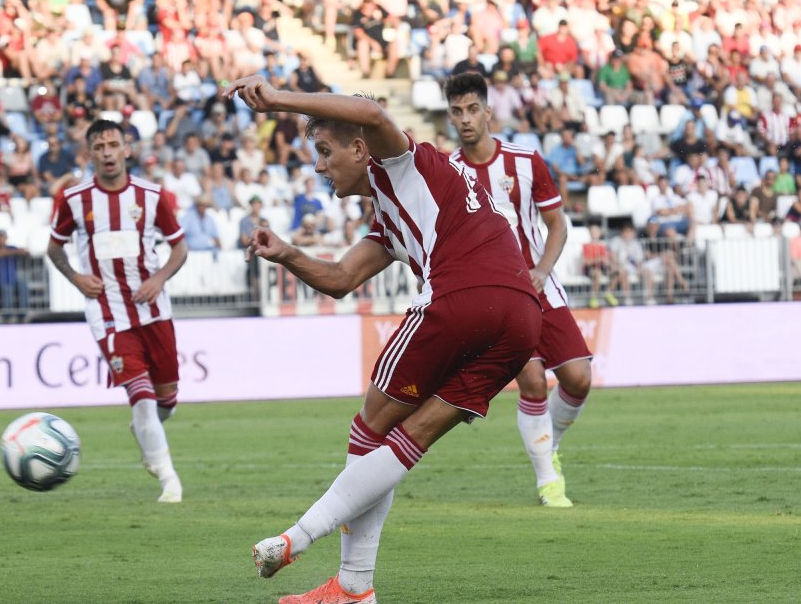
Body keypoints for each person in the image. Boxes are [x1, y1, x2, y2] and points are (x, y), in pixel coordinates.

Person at [223, 75, 540, 604]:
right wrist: (287, 253)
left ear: (359, 149)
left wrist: (277, 100)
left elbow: (370, 112)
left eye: (325, 151)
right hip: (520, 316)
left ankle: (326, 565)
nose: (320, 165)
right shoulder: (394, 209)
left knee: (369, 425)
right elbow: (342, 278)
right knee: (408, 435)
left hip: (463, 294)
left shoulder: (402, 161)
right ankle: (350, 588)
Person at [444, 72, 592, 508]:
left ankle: (549, 444)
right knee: (531, 381)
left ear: (488, 111)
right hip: (496, 297)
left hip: (540, 284)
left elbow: (557, 224)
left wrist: (544, 269)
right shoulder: (449, 173)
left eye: (473, 109)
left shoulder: (526, 161)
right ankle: (549, 482)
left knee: (579, 379)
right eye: (457, 111)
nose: (466, 119)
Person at [47, 119, 189, 503]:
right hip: (108, 313)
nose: (108, 152)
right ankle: (168, 479)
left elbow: (179, 248)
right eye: (100, 146)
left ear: (127, 149)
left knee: (167, 401)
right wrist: (77, 278)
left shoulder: (153, 196)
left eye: (114, 144)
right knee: (140, 396)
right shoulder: (74, 200)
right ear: (89, 153)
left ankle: (144, 430)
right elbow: (54, 249)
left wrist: (159, 278)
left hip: (154, 309)